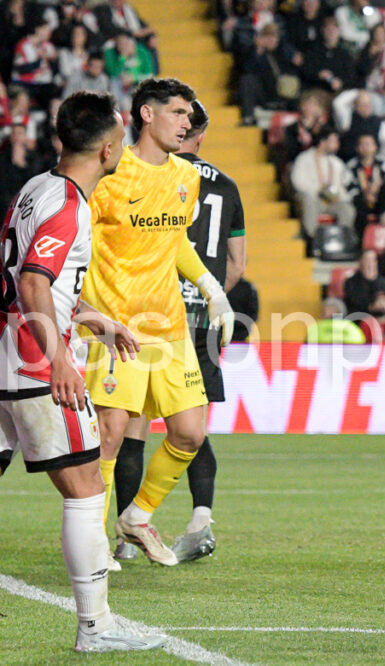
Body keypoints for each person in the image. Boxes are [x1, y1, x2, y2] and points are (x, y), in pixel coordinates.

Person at [0, 90, 164, 651]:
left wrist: (96, 319)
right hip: (32, 364)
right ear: (108, 150)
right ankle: (96, 627)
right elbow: (32, 283)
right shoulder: (69, 206)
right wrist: (59, 361)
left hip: (6, 356)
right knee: (87, 488)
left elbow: (34, 280)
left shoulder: (34, 189)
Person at [81, 78, 235, 567]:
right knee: (110, 434)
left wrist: (212, 289)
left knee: (190, 433)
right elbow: (79, 243)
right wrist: (85, 312)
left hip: (169, 327)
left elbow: (176, 241)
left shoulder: (185, 176)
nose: (187, 123)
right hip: (117, 327)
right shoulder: (110, 175)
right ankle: (92, 541)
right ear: (146, 114)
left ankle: (137, 516)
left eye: (189, 115)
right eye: (178, 112)